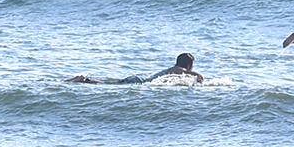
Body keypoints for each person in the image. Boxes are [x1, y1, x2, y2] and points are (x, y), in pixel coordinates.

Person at [68, 52, 203, 85]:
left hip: (138, 79)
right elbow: (183, 72)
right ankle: (83, 79)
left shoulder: (174, 69)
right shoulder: (177, 69)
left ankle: (85, 80)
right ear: (188, 65)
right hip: (138, 82)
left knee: (110, 84)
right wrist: (197, 75)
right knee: (109, 85)